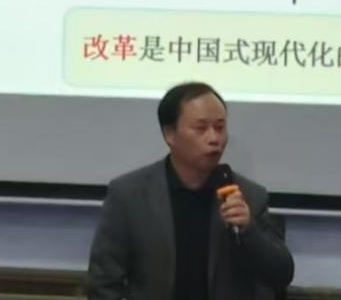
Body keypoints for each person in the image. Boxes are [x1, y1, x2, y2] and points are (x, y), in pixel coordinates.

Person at [86, 82, 294, 300]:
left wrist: (249, 231)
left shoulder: (249, 196)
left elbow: (281, 275)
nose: (214, 139)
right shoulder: (129, 196)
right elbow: (103, 283)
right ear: (170, 134)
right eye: (201, 128)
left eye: (220, 127)